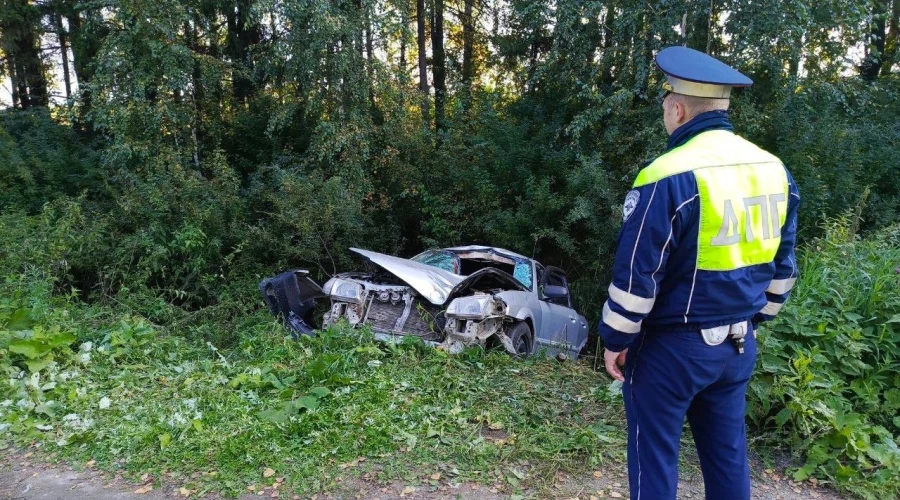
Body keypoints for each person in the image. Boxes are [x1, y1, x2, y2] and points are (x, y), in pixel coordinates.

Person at [598, 46, 800, 500]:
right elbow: (783, 267)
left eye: (666, 108)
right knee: (727, 458)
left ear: (678, 108)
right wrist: (755, 318)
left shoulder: (666, 174)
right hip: (738, 344)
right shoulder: (773, 170)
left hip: (672, 350)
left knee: (654, 461)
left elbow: (637, 277)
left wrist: (616, 340)